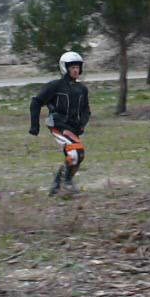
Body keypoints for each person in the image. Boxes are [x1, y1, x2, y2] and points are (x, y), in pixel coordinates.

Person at [29, 51, 91, 195]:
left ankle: (57, 187)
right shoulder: (55, 86)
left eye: (77, 67)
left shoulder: (82, 89)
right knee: (75, 153)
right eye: (72, 67)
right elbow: (36, 102)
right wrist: (34, 126)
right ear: (65, 68)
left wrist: (81, 125)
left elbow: (86, 110)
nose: (76, 70)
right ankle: (66, 183)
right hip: (57, 125)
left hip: (73, 128)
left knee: (78, 155)